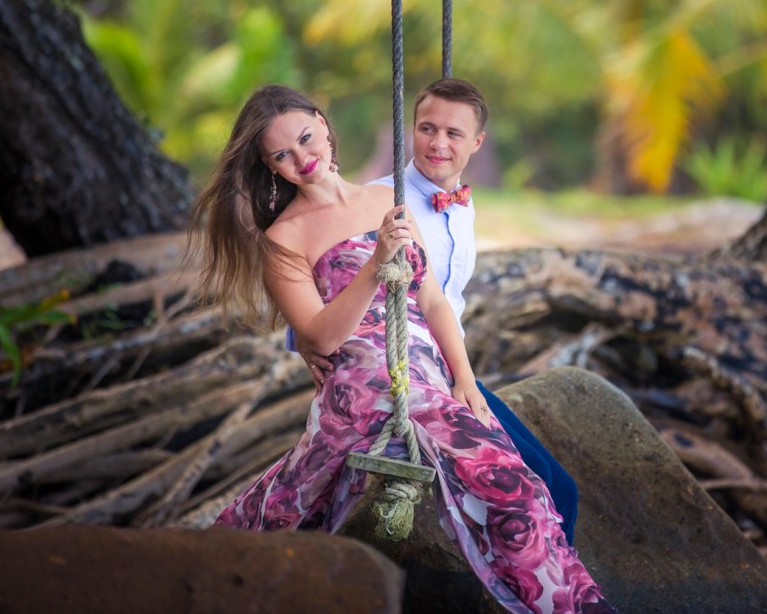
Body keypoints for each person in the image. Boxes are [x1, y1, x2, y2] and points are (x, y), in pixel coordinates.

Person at [191, 85, 615, 614]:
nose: (302, 157)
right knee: (512, 489)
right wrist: (375, 266)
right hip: (370, 388)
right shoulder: (284, 240)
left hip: (429, 373)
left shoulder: (384, 201)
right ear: (269, 165)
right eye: (282, 154)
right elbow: (320, 337)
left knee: (531, 488)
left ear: (323, 124)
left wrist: (464, 379)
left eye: (305, 138)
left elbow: (432, 300)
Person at [293, 77, 580, 544]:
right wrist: (306, 346)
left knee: (559, 488)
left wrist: (465, 379)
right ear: (412, 130)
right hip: (407, 381)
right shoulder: (380, 202)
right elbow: (324, 282)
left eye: (453, 133)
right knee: (546, 490)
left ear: (477, 143)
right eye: (427, 129)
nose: (437, 144)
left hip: (452, 370)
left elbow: (444, 300)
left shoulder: (462, 206)